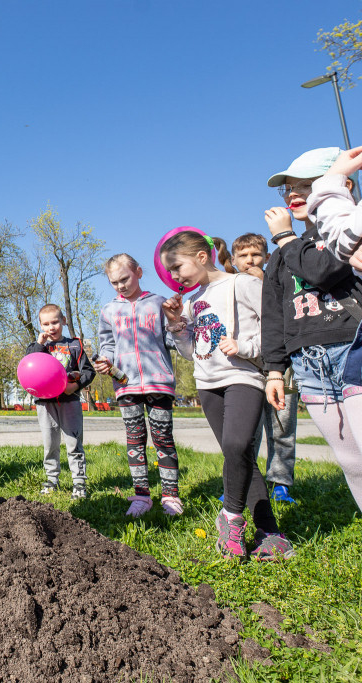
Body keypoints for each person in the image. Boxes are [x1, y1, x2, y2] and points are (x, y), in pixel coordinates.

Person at [160, 231, 294, 561]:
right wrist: (177, 325)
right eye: (170, 272)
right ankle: (269, 531)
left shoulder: (241, 284)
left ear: (202, 257)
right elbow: (192, 352)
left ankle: (231, 518)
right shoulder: (192, 302)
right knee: (239, 457)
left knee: (237, 446)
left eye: (177, 267)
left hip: (243, 376)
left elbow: (276, 328)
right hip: (208, 384)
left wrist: (245, 347)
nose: (174, 277)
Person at [261, 147, 362, 511]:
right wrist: (274, 370)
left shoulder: (345, 230)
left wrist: (285, 238)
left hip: (352, 348)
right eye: (288, 188)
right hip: (309, 364)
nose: (292, 194)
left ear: (341, 183)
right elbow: (274, 314)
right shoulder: (282, 253)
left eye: (306, 184)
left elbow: (321, 270)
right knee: (351, 460)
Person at [95, 254, 181, 516]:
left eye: (125, 279)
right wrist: (105, 360)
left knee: (163, 439)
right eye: (114, 282)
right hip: (126, 384)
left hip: (158, 382)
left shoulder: (158, 304)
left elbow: (173, 340)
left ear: (139, 273)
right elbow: (107, 344)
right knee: (135, 441)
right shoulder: (109, 310)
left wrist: (177, 321)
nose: (120, 286)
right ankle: (141, 496)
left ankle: (171, 496)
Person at [231, 232, 299, 505]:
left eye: (256, 255)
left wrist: (265, 283)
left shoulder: (278, 280)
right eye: (243, 256)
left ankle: (280, 482)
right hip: (248, 367)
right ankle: (244, 481)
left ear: (267, 257)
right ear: (234, 261)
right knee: (249, 431)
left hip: (282, 365)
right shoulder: (231, 286)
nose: (250, 260)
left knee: (281, 425)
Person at [26, 304, 95, 500]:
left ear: (63, 321)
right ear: (41, 325)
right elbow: (29, 364)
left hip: (69, 401)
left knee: (74, 442)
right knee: (50, 443)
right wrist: (39, 343)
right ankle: (51, 479)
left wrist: (76, 386)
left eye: (55, 322)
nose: (51, 327)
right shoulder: (38, 348)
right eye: (46, 324)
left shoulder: (75, 345)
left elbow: (89, 371)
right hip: (45, 404)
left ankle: (79, 481)